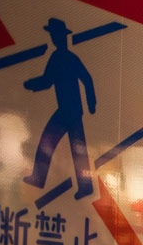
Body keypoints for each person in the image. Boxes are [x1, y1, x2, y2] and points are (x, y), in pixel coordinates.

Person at [22, 17, 97, 200]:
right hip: (69, 109)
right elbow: (48, 81)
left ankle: (40, 178)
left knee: (51, 142)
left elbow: (87, 79)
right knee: (76, 149)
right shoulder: (57, 58)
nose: (55, 39)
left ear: (62, 37)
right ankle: (82, 186)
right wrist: (32, 84)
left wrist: (92, 103)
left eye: (56, 35)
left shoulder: (69, 58)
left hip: (68, 110)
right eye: (54, 35)